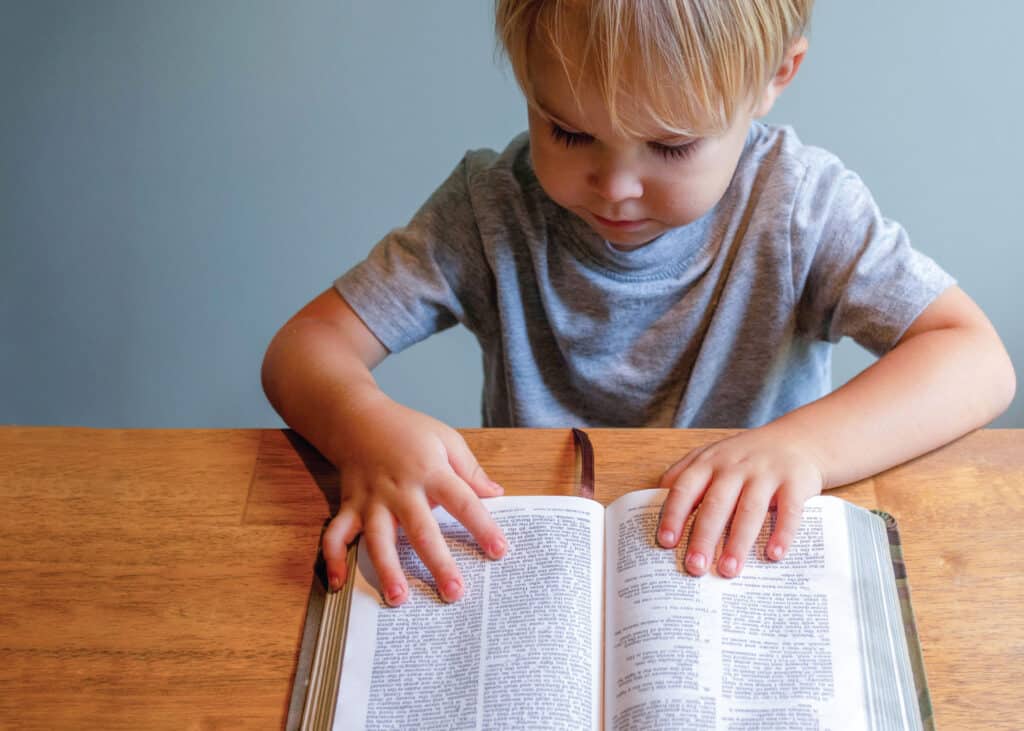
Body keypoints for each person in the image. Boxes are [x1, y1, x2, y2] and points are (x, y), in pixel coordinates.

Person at [261, 0, 1015, 606]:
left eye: (672, 145)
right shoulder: (488, 209)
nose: (616, 187)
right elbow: (305, 348)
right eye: (568, 131)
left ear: (773, 77)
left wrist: (803, 449)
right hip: (527, 571)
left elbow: (976, 359)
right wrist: (367, 428)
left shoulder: (798, 207)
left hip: (737, 568)